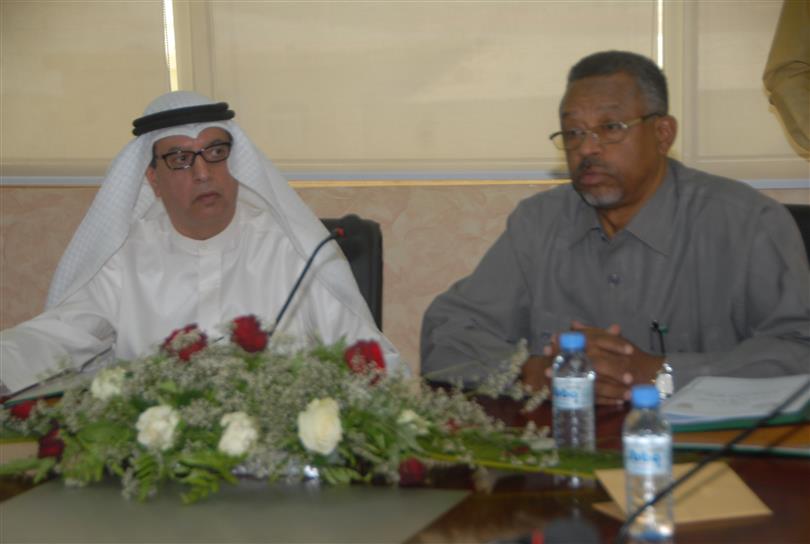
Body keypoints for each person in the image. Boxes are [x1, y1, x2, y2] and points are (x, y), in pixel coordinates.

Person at [421, 50, 810, 404]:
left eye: (610, 127)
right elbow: (447, 332)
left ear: (663, 134)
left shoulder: (746, 223)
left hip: (704, 448)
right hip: (564, 446)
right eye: (573, 132)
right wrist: (530, 372)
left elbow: (799, 348)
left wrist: (661, 373)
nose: (587, 148)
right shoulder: (538, 223)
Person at [1, 91, 402, 393]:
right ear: (153, 178)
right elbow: (58, 335)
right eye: (180, 158)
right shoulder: (124, 255)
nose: (203, 173)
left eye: (215, 152)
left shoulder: (292, 248)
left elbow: (365, 354)